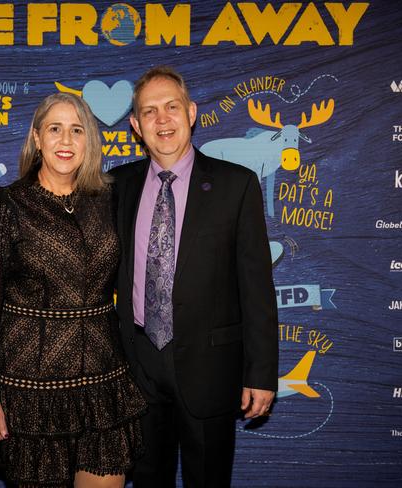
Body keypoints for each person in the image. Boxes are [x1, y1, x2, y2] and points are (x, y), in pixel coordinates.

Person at [110, 66, 278, 487]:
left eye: (171, 107)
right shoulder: (115, 185)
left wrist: (260, 373)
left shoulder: (235, 185)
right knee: (148, 479)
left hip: (211, 366)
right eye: (149, 112)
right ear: (135, 125)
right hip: (138, 366)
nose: (162, 119)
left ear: (192, 112)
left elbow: (256, 286)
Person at [0, 92, 146, 487]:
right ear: (36, 138)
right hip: (32, 388)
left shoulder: (108, 199)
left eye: (77, 130)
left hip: (102, 383)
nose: (66, 141)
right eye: (55, 129)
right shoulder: (6, 205)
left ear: (89, 142)